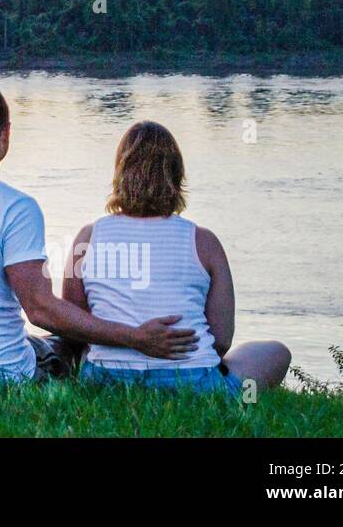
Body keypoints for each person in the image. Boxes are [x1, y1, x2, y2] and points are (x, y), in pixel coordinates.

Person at [0, 82, 199, 382]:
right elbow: (40, 309)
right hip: (5, 370)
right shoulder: (16, 207)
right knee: (57, 342)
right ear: (5, 134)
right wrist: (133, 336)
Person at [62, 120, 291, 396]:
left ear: (120, 173)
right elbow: (221, 340)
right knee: (277, 353)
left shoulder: (88, 237)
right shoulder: (204, 242)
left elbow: (73, 325)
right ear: (177, 175)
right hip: (194, 383)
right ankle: (231, 395)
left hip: (105, 381)